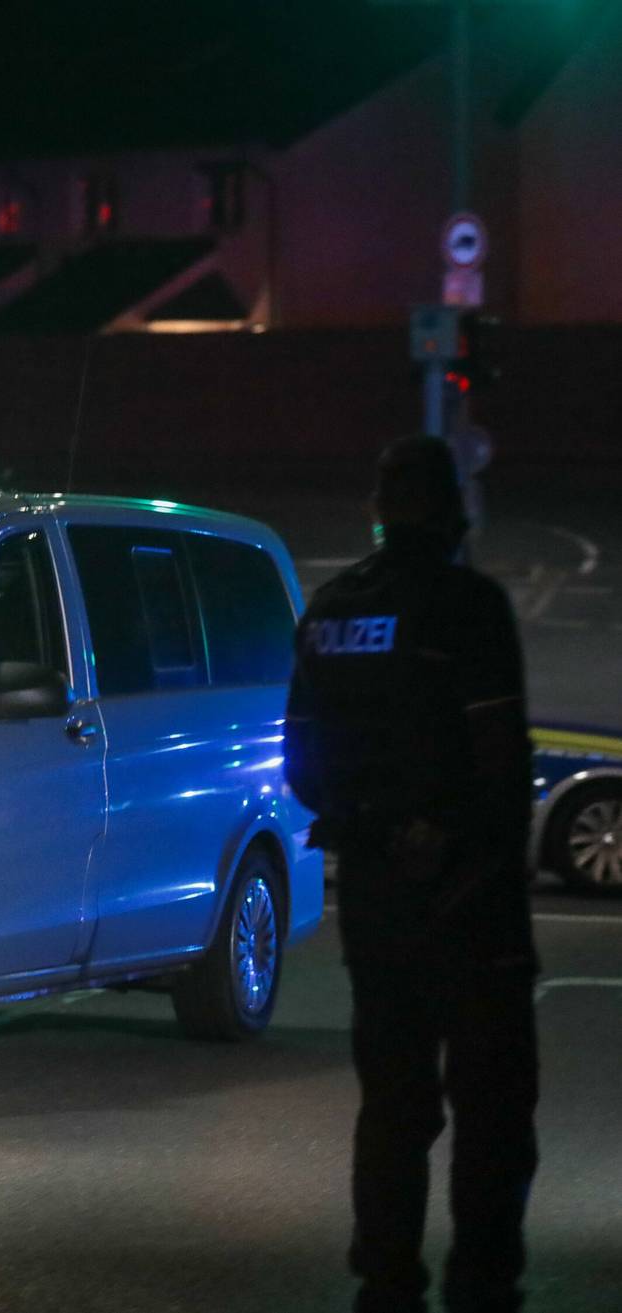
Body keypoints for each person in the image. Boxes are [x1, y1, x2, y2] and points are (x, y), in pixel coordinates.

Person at [284, 436, 539, 1313]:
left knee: (393, 1107)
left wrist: (370, 830)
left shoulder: (329, 613)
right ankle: (482, 1286)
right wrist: (455, 835)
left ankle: (386, 1283)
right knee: (493, 1111)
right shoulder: (469, 607)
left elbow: (302, 763)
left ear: (378, 509)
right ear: (451, 508)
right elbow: (501, 759)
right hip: (471, 902)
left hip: (375, 900)